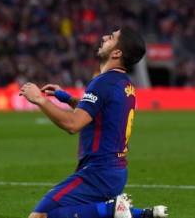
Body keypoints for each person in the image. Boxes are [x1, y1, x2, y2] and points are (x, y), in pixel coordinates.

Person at [19, 27, 168, 218]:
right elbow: (97, 113)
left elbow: (73, 124)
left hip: (98, 173)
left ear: (117, 52)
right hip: (115, 171)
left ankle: (112, 209)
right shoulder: (125, 84)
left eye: (112, 37)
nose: (105, 37)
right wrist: (65, 97)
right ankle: (140, 214)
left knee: (40, 216)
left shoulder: (102, 82)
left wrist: (39, 100)